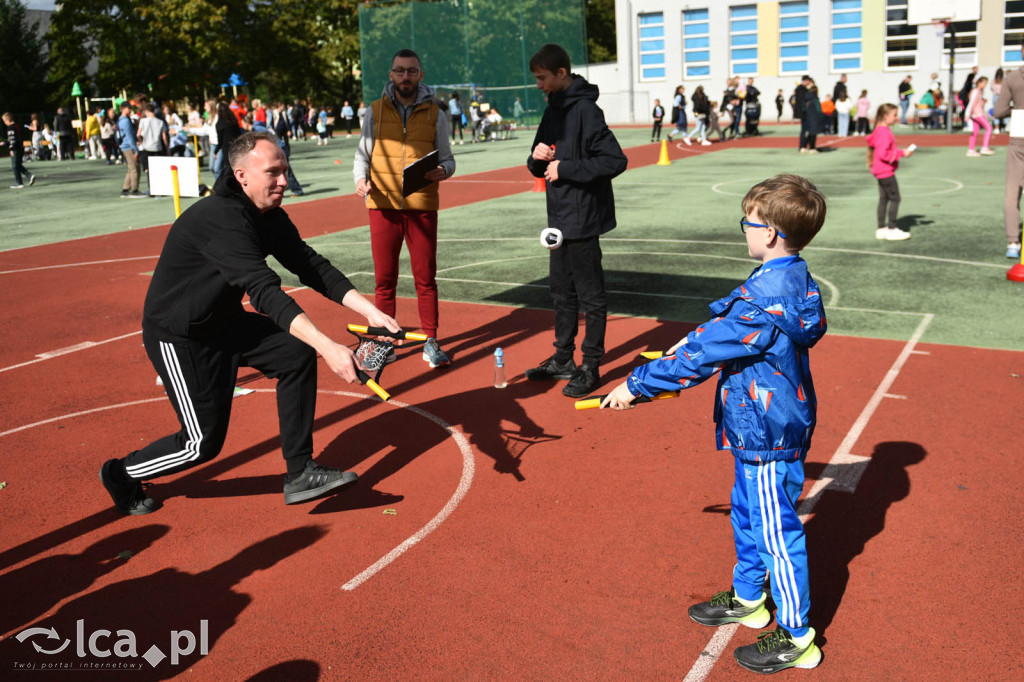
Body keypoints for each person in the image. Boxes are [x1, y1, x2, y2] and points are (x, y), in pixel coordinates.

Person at [98, 132, 402, 515]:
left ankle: (300, 473)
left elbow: (309, 265)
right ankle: (121, 473)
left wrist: (370, 312)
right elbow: (265, 292)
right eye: (272, 172)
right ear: (241, 175)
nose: (283, 181)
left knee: (294, 353)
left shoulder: (268, 214)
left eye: (285, 171)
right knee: (201, 445)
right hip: (181, 336)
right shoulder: (222, 221)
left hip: (224, 322)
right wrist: (330, 348)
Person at [601, 174, 828, 676]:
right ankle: (749, 598)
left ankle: (797, 636)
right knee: (748, 518)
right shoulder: (782, 278)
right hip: (756, 426)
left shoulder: (764, 301)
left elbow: (707, 353)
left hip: (767, 432)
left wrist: (636, 386)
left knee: (777, 535)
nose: (742, 230)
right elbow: (718, 330)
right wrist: (687, 342)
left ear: (768, 232)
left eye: (746, 223)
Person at [524, 43, 627, 398]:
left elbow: (615, 160)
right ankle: (563, 358)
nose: (538, 85)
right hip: (558, 219)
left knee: (591, 296)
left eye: (542, 78)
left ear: (561, 74)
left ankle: (591, 365)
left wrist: (565, 167)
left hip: (583, 219)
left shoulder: (586, 110)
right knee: (561, 292)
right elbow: (538, 163)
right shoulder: (553, 109)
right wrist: (537, 157)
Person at [353, 48, 456, 368]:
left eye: (412, 71)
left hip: (421, 206)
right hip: (382, 205)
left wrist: (446, 171)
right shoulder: (373, 112)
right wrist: (360, 179)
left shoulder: (436, 113)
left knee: (426, 277)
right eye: (400, 71)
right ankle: (386, 341)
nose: (406, 77)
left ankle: (431, 340)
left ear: (421, 75)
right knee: (385, 279)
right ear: (391, 75)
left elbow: (448, 158)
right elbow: (362, 156)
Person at [992, 42, 1024, 259]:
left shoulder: (1012, 78)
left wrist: (1017, 108)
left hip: (1020, 133)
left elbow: (999, 110)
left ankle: (1013, 241)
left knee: (1013, 191)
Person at [866, 103, 914, 241]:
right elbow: (883, 153)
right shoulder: (884, 132)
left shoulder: (879, 130)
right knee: (895, 198)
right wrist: (902, 153)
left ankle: (881, 228)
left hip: (880, 170)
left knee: (884, 198)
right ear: (886, 116)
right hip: (885, 171)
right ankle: (892, 228)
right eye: (894, 115)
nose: (896, 118)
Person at [137, 104, 168, 193]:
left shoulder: (143, 121)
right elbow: (164, 137)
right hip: (157, 147)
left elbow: (138, 134)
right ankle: (160, 187)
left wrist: (141, 141)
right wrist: (166, 148)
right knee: (158, 168)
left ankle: (151, 188)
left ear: (146, 111)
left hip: (147, 147)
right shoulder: (160, 122)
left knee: (149, 169)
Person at [117, 103, 144, 198]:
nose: (130, 110)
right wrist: (135, 150)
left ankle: (125, 189)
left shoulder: (123, 120)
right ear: (123, 108)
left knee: (131, 168)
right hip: (129, 147)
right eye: (129, 108)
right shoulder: (125, 121)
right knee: (135, 168)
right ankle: (134, 189)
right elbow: (129, 136)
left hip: (126, 146)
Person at [2, 112, 36, 188]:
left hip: (15, 149)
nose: (4, 123)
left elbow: (12, 140)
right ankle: (29, 176)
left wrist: (11, 149)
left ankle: (19, 182)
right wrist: (4, 143)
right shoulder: (18, 126)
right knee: (18, 165)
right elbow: (17, 139)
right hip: (21, 148)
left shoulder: (10, 128)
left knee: (15, 166)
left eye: (4, 121)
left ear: (7, 120)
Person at [965, 76, 994, 157]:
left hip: (975, 113)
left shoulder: (979, 91)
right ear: (979, 82)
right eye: (984, 83)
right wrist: (967, 114)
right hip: (977, 114)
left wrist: (983, 102)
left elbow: (976, 103)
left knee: (975, 131)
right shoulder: (976, 91)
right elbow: (971, 103)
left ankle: (971, 149)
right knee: (989, 128)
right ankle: (984, 147)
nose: (985, 85)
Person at [800, 85, 823, 154]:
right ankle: (812, 147)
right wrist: (822, 116)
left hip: (807, 117)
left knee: (809, 133)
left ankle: (803, 147)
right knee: (813, 133)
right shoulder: (815, 99)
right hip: (814, 118)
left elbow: (803, 108)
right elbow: (819, 110)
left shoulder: (805, 99)